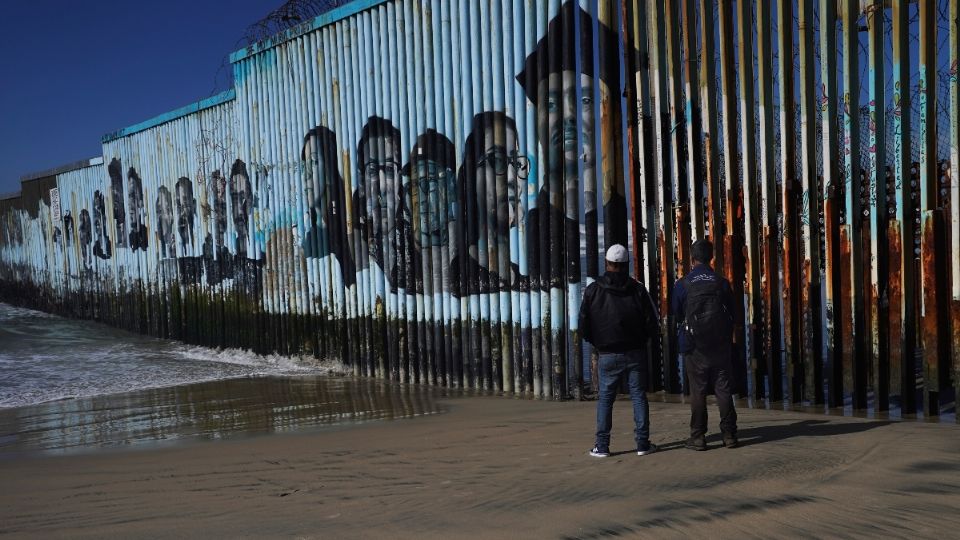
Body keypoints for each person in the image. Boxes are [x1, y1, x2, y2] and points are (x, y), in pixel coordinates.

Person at [578, 244, 660, 457]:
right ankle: (643, 444)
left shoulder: (593, 290)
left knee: (606, 399)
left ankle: (602, 446)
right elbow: (652, 321)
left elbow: (583, 325)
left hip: (607, 353)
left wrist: (596, 342)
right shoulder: (638, 289)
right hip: (635, 352)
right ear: (626, 264)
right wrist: (645, 340)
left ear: (607, 264)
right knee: (638, 396)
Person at [672, 238, 739, 451]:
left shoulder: (683, 284)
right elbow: (734, 313)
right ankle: (729, 435)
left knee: (698, 391)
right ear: (711, 258)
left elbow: (677, 314)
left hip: (694, 346)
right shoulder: (721, 282)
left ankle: (698, 437)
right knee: (723, 388)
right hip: (719, 344)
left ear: (692, 259)